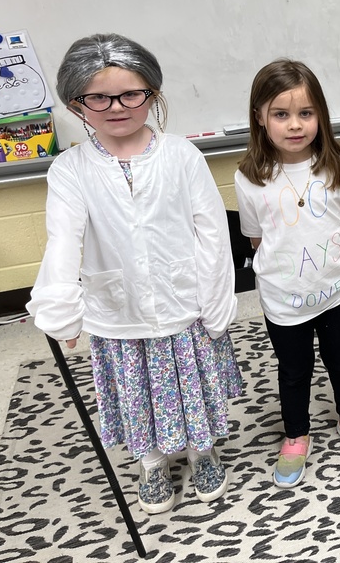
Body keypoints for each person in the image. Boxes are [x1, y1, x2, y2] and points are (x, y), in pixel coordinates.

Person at [27, 33, 241, 515]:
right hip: (118, 310)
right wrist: (59, 302)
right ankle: (150, 461)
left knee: (194, 385)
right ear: (75, 102)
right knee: (136, 394)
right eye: (98, 97)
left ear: (153, 94)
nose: (116, 106)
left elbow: (211, 231)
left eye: (131, 94)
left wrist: (215, 297)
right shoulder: (69, 169)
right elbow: (63, 238)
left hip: (184, 301)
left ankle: (202, 450)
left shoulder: (181, 155)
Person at [235, 60, 340, 488]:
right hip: (284, 299)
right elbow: (258, 239)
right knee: (294, 370)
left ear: (321, 115)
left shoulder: (338, 164)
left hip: (338, 290)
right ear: (260, 117)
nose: (295, 125)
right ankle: (296, 434)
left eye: (306, 113)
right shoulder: (249, 178)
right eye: (281, 114)